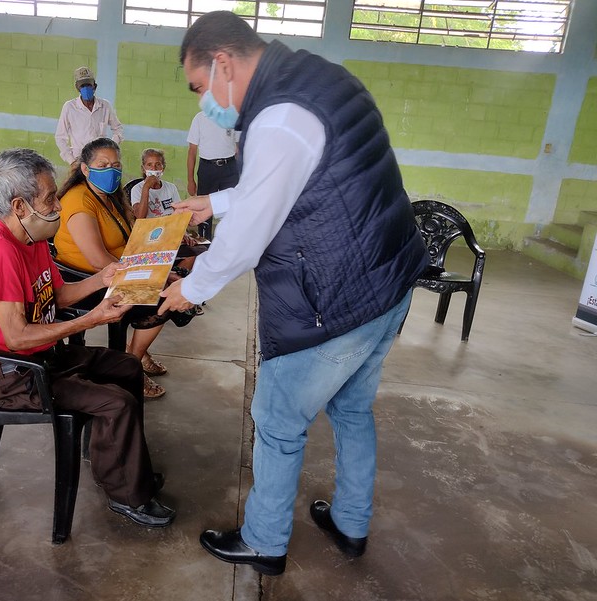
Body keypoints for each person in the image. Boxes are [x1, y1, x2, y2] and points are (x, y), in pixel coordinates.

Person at [159, 11, 429, 575]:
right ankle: (351, 523)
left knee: (278, 419)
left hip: (336, 301)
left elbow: (247, 236)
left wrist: (193, 288)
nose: (204, 101)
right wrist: (216, 202)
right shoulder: (318, 79)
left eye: (199, 86)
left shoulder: (279, 117)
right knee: (352, 408)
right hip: (388, 282)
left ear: (223, 64)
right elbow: (295, 178)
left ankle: (264, 542)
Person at [0, 148, 175, 528]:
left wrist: (102, 279)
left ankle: (122, 466)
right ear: (20, 206)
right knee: (117, 403)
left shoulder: (32, 238)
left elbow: (57, 295)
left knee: (127, 366)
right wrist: (90, 320)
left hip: (42, 357)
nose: (58, 205)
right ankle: (127, 495)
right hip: (14, 375)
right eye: (50, 199)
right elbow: (16, 338)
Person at [54, 138, 186, 400]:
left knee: (174, 284)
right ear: (85, 169)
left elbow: (132, 237)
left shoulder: (108, 196)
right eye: (102, 165)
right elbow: (97, 260)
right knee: (164, 298)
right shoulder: (79, 201)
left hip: (116, 271)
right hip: (89, 282)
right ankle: (131, 365)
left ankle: (134, 357)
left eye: (115, 165)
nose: (111, 171)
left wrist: (158, 267)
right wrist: (149, 276)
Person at [130, 147, 206, 283]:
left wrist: (183, 233)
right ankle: (166, 280)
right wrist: (146, 188)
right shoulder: (137, 189)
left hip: (170, 235)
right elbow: (140, 218)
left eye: (158, 164)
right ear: (143, 168)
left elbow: (179, 216)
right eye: (149, 165)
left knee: (197, 251)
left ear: (163, 168)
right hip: (149, 238)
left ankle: (173, 280)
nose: (154, 168)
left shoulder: (171, 188)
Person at [186, 110, 239, 240]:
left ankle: (229, 243)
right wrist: (190, 180)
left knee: (231, 208)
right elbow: (192, 151)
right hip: (207, 169)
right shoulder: (199, 118)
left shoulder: (232, 117)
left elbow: (238, 148)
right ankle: (204, 242)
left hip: (230, 167)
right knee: (203, 210)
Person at [55, 66, 123, 165]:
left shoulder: (105, 106)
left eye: (88, 85)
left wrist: (111, 147)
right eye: (82, 86)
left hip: (100, 160)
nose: (86, 89)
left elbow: (118, 128)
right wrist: (72, 161)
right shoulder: (69, 107)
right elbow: (60, 137)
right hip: (79, 159)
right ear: (77, 87)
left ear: (95, 86)